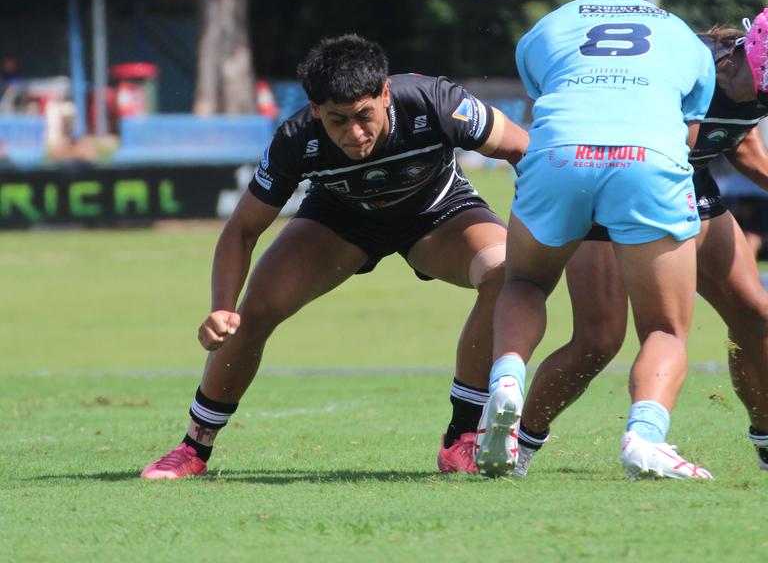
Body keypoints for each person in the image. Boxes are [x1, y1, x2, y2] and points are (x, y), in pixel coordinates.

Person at [141, 33, 528, 479]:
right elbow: (242, 230)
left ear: (385, 93)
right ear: (313, 108)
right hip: (341, 222)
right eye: (337, 120)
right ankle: (194, 448)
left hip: (437, 213)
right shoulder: (295, 138)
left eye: (364, 115)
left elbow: (524, 150)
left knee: (504, 270)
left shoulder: (435, 101)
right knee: (255, 311)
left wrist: (535, 233)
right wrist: (221, 307)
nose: (354, 133)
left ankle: (461, 437)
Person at [474, 0, 716, 481]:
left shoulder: (544, 31)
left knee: (527, 281)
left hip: (557, 158)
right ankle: (645, 436)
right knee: (662, 328)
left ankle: (507, 378)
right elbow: (688, 137)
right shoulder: (685, 39)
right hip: (646, 165)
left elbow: (551, 101)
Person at [514, 10, 768, 476]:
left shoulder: (754, 80)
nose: (762, 100)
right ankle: (519, 440)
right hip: (621, 179)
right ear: (741, 56)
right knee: (598, 339)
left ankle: (766, 442)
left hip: (687, 181)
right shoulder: (687, 61)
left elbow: (745, 146)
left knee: (756, 317)